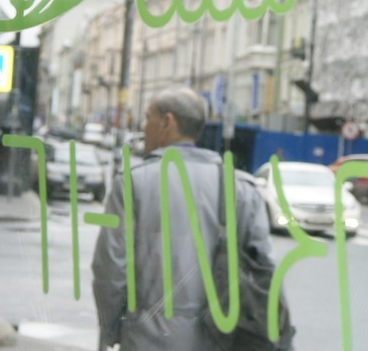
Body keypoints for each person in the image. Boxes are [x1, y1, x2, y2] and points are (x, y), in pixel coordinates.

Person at [92, 86, 278, 350]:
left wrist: (110, 333)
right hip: (222, 341)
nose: (143, 127)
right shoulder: (241, 189)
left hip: (147, 340)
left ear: (168, 122)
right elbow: (264, 271)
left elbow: (110, 270)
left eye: (147, 118)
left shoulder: (134, 184)